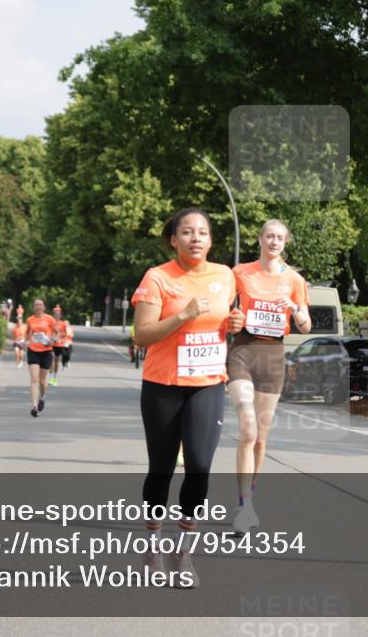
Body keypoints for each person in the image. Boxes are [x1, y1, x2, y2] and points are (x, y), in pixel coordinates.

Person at [131, 207, 240, 588]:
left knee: (199, 467)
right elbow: (142, 336)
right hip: (162, 386)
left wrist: (234, 324)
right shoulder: (158, 278)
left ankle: (183, 552)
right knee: (161, 468)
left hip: (208, 384)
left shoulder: (225, 276)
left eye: (203, 232)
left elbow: (224, 321)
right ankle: (153, 544)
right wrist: (183, 315)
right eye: (187, 232)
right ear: (172, 239)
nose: (196, 238)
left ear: (211, 240)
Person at [226, 219, 312, 534]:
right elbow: (225, 312)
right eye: (269, 236)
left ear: (285, 243)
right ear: (260, 239)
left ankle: (247, 500)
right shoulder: (240, 272)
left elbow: (306, 326)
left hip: (274, 356)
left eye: (280, 238)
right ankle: (244, 507)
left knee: (261, 439)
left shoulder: (294, 280)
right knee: (247, 430)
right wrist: (232, 321)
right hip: (243, 351)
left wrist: (294, 308)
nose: (274, 242)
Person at [25, 299, 59, 418]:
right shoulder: (30, 319)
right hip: (33, 351)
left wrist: (52, 340)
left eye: (40, 305)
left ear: (44, 307)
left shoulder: (50, 319)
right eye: (36, 305)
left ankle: (42, 397)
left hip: (46, 351)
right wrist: (26, 341)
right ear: (33, 307)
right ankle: (34, 406)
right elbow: (27, 333)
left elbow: (57, 333)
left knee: (42, 381)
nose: (38, 307)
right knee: (34, 378)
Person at [49, 305, 69, 386]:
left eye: (58, 314)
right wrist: (51, 337)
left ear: (60, 315)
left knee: (56, 361)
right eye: (55, 313)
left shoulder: (63, 323)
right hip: (51, 343)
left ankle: (54, 377)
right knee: (51, 360)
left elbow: (65, 334)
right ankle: (50, 378)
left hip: (59, 344)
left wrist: (60, 337)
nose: (57, 315)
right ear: (54, 314)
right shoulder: (50, 322)